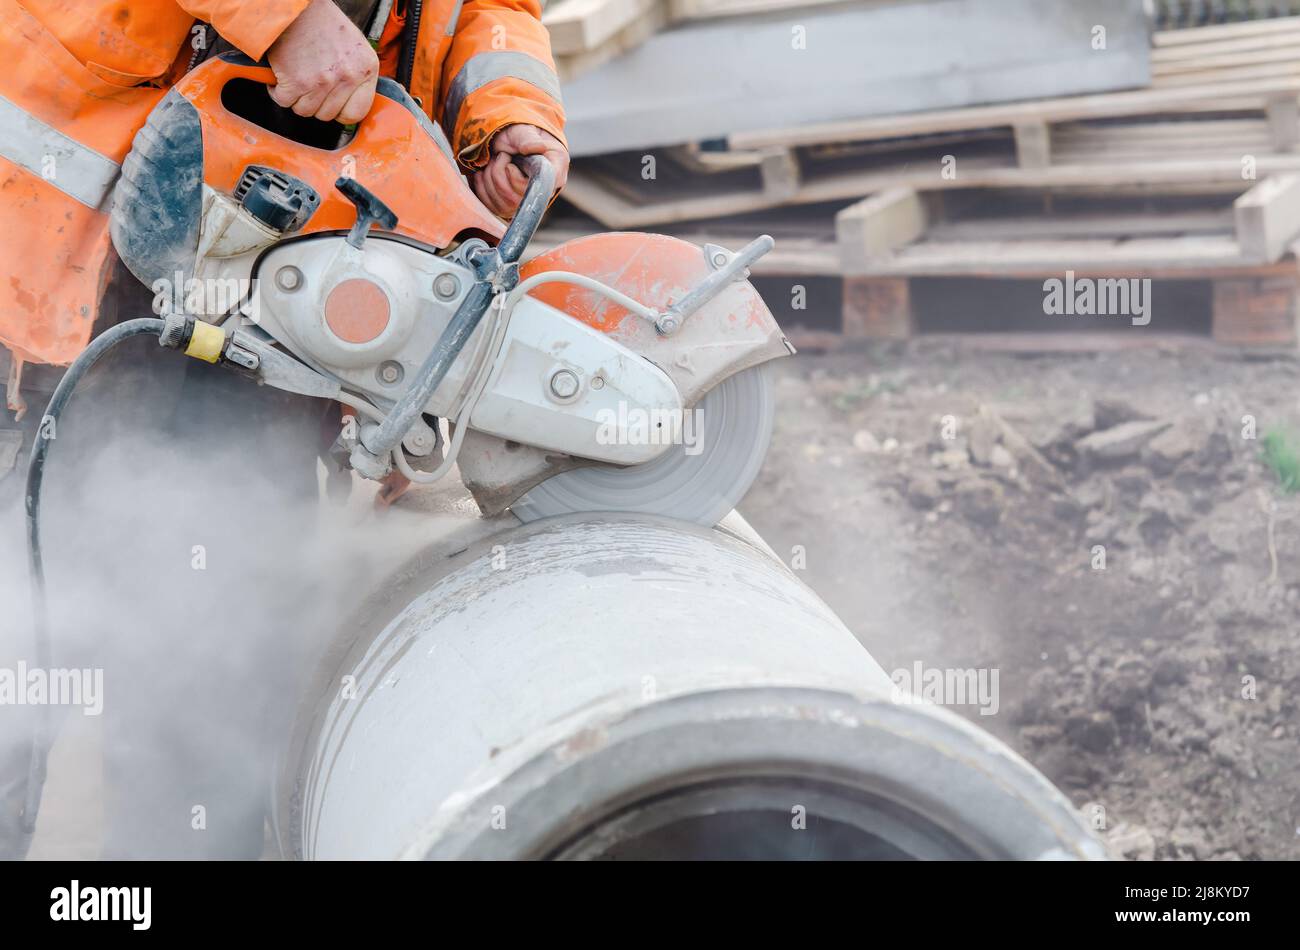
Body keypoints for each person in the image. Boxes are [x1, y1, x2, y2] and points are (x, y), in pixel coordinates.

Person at [0, 0, 568, 859]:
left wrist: (508, 116)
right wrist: (285, 15)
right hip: (67, 253)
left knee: (216, 658)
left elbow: (492, 8)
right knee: (25, 644)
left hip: (280, 275)